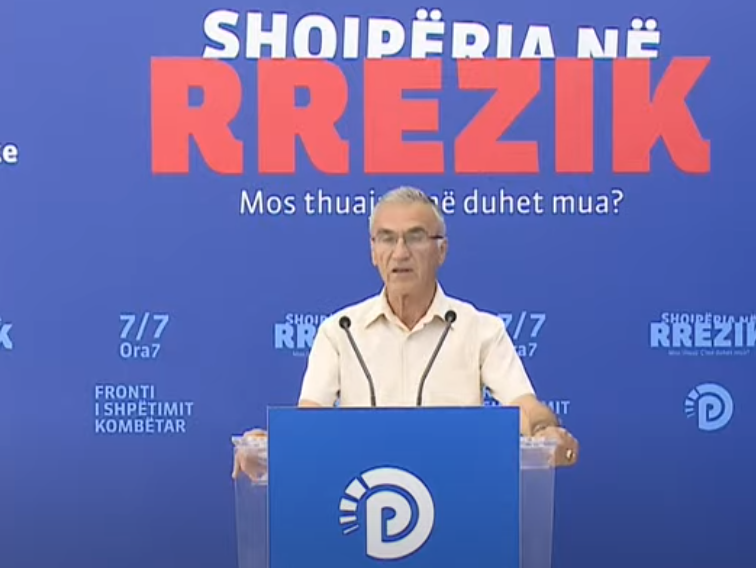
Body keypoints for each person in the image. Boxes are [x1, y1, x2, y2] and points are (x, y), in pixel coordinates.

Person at [233, 186, 579, 479]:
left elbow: (524, 406)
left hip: (459, 498)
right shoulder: (340, 331)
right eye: (387, 238)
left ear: (441, 251)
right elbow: (309, 420)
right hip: (363, 503)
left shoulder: (480, 329)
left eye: (416, 237)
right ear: (373, 252)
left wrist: (544, 432)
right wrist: (269, 447)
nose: (400, 253)